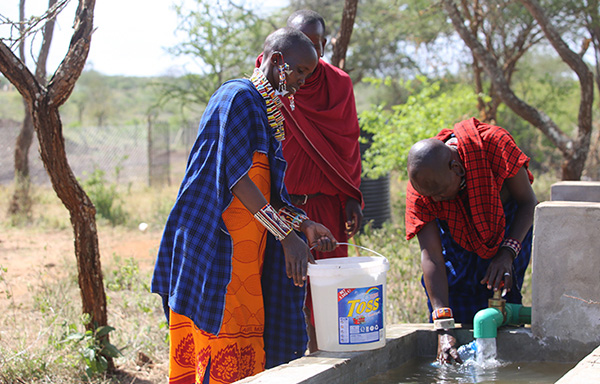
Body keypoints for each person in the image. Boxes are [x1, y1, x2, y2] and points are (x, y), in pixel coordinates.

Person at [151, 27, 337, 384]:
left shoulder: (265, 107)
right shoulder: (237, 97)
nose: (301, 81)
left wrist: (303, 225)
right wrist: (285, 236)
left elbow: (268, 191)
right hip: (217, 245)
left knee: (249, 349)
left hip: (249, 250)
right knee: (219, 340)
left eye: (307, 75)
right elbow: (235, 178)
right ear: (278, 61)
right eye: (299, 71)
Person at [257, 10, 364, 366]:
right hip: (277, 206)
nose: (306, 74)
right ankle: (289, 364)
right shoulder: (265, 82)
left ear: (323, 46)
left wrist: (351, 195)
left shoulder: (337, 84)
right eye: (300, 64)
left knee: (329, 294)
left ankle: (328, 361)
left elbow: (348, 142)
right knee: (283, 291)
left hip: (324, 205)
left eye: (315, 49)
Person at [405, 117, 537, 364]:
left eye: (440, 193)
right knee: (456, 295)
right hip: (457, 237)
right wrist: (444, 329)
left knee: (501, 298)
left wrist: (507, 254)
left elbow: (529, 204)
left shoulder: (493, 144)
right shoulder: (423, 188)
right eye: (429, 196)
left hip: (508, 228)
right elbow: (432, 255)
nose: (435, 201)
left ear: (457, 167)